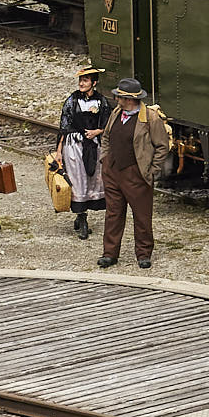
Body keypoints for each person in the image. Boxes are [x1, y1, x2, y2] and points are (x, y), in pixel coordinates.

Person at [95, 76, 171, 271]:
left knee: (142, 215)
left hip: (137, 173)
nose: (117, 98)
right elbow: (106, 136)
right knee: (113, 214)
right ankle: (109, 253)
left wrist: (151, 170)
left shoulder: (150, 119)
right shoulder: (116, 112)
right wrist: (105, 159)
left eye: (119, 96)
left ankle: (144, 254)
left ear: (129, 99)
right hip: (113, 171)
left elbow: (162, 146)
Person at [53, 64, 108, 238]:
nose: (81, 83)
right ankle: (82, 218)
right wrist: (59, 152)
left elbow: (107, 123)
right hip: (74, 146)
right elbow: (64, 126)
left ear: (94, 82)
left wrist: (96, 132)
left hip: (93, 146)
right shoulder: (72, 101)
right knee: (78, 180)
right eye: (80, 80)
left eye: (85, 80)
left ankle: (81, 216)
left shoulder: (101, 101)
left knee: (92, 180)